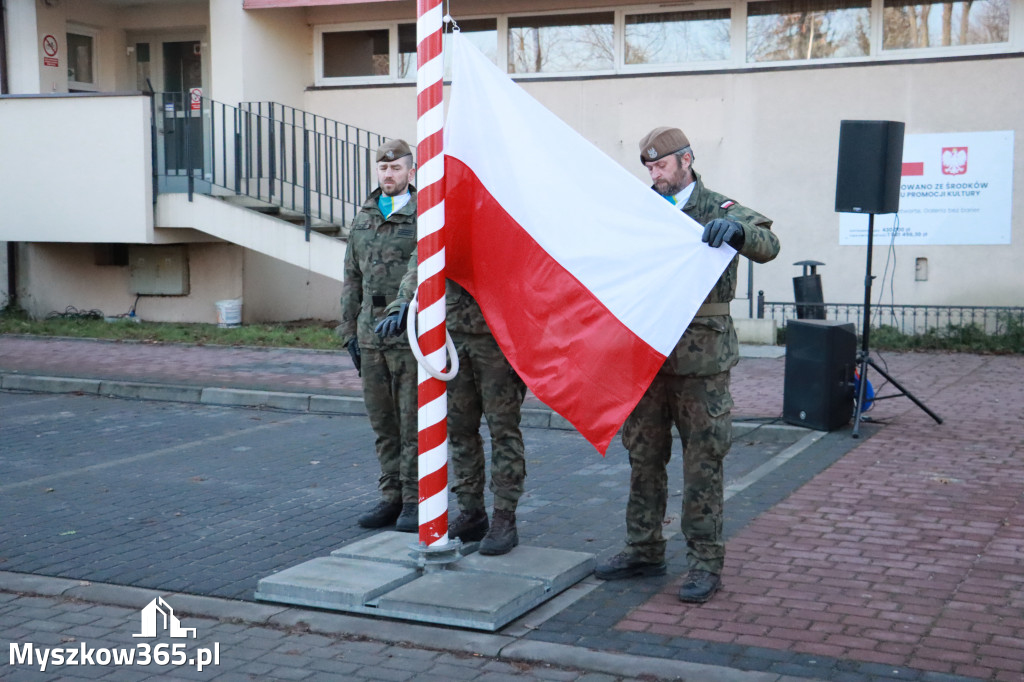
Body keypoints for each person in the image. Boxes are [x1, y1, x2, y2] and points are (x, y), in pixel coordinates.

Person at [594, 127, 780, 603]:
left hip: (701, 361)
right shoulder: (641, 211)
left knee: (703, 464)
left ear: (687, 160)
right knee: (643, 459)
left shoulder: (719, 208)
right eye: (649, 168)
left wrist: (737, 233)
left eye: (661, 165)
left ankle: (704, 563)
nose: (655, 175)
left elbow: (768, 243)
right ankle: (643, 548)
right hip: (647, 356)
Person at [377, 271, 528, 555]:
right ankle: (472, 511)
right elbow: (420, 263)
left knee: (503, 431)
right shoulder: (448, 225)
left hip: (498, 338)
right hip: (452, 336)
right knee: (459, 431)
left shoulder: (507, 224)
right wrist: (401, 304)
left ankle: (504, 517)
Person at [338, 139, 420, 533]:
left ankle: (417, 499)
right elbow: (352, 275)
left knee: (412, 422)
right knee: (383, 423)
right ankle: (391, 497)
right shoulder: (365, 215)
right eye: (383, 169)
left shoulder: (424, 215)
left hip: (409, 334)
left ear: (410, 172)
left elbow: (424, 271)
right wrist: (347, 329)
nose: (389, 175)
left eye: (396, 169)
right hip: (370, 334)